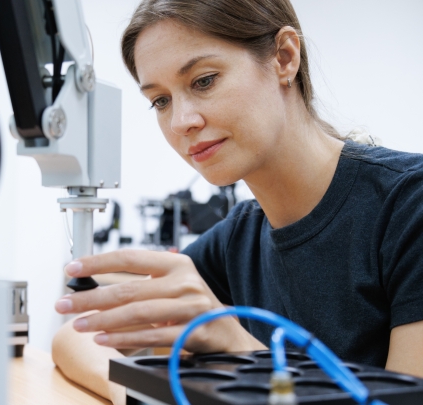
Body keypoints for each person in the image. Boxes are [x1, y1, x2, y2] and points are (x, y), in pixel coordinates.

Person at [50, 0, 423, 404]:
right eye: (160, 100)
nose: (181, 122)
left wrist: (240, 347)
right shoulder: (238, 237)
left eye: (204, 81)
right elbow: (75, 337)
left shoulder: (408, 205)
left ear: (284, 57)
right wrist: (139, 394)